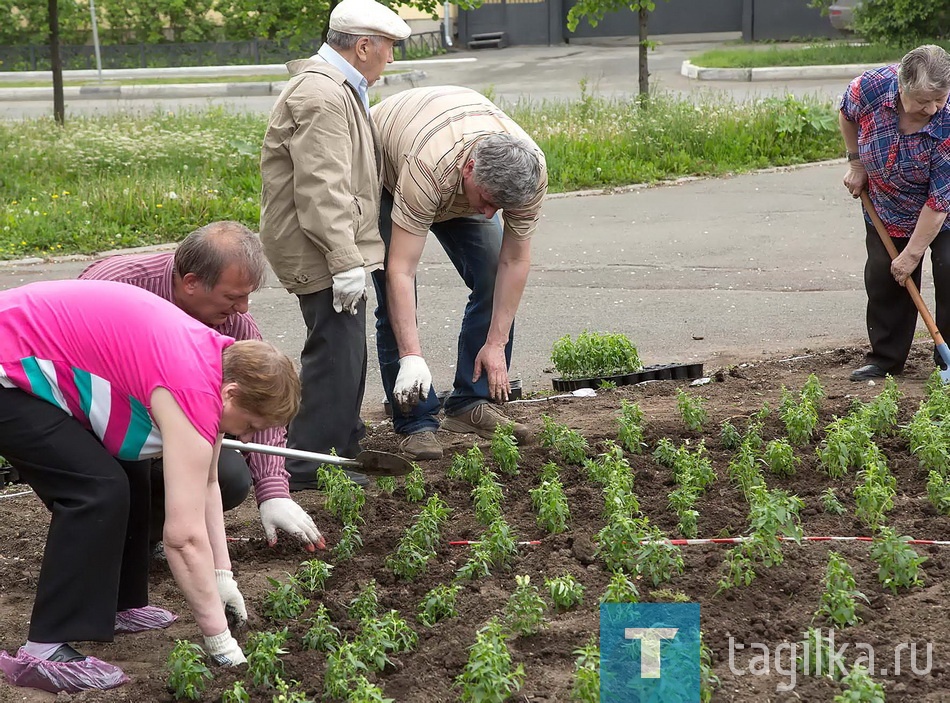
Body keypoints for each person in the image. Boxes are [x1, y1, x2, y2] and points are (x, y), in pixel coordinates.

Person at [0, 280, 301, 693]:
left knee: (131, 472)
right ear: (231, 394)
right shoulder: (194, 387)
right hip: (6, 364)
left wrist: (222, 576)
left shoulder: (218, 361)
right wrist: (221, 641)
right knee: (96, 490)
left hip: (22, 339)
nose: (247, 439)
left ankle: (120, 605)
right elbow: (182, 538)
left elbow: (208, 483)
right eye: (251, 426)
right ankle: (44, 649)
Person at [80, 221, 323, 552]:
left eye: (247, 297)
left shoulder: (235, 324)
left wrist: (272, 492)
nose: (242, 308)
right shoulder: (116, 284)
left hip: (162, 432)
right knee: (114, 483)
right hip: (91, 419)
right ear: (191, 282)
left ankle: (141, 540)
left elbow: (262, 402)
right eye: (233, 297)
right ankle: (103, 535)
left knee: (230, 477)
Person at [260, 0, 410, 490]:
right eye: (387, 47)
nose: (390, 58)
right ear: (364, 46)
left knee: (348, 352)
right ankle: (309, 465)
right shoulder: (323, 95)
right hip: (320, 247)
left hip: (330, 244)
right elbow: (321, 186)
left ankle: (342, 444)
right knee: (332, 354)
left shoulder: (338, 86)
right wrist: (344, 260)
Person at [370, 86, 548, 460]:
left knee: (490, 274)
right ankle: (414, 419)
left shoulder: (528, 173)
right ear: (469, 169)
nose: (487, 215)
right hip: (387, 168)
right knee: (396, 300)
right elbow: (400, 270)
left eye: (499, 207)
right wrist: (412, 358)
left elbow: (513, 262)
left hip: (454, 166)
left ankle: (470, 403)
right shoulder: (428, 166)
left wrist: (496, 343)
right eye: (486, 202)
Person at [840, 44, 950, 382]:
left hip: (943, 210)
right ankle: (886, 360)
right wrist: (856, 162)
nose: (932, 108)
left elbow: (939, 201)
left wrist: (911, 255)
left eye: (940, 99)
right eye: (923, 101)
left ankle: (947, 360)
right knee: (885, 278)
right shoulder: (870, 88)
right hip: (886, 205)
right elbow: (847, 113)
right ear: (902, 87)